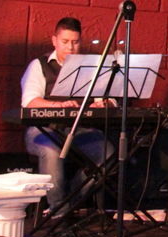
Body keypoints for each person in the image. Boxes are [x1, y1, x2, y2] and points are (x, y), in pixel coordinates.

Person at [20, 17, 112, 217]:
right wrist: (57, 105)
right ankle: (59, 213)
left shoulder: (91, 67)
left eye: (75, 42)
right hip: (44, 129)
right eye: (65, 42)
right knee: (51, 150)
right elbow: (29, 101)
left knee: (109, 154)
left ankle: (67, 201)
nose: (70, 47)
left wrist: (104, 103)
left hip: (79, 129)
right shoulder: (39, 65)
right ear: (54, 40)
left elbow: (108, 97)